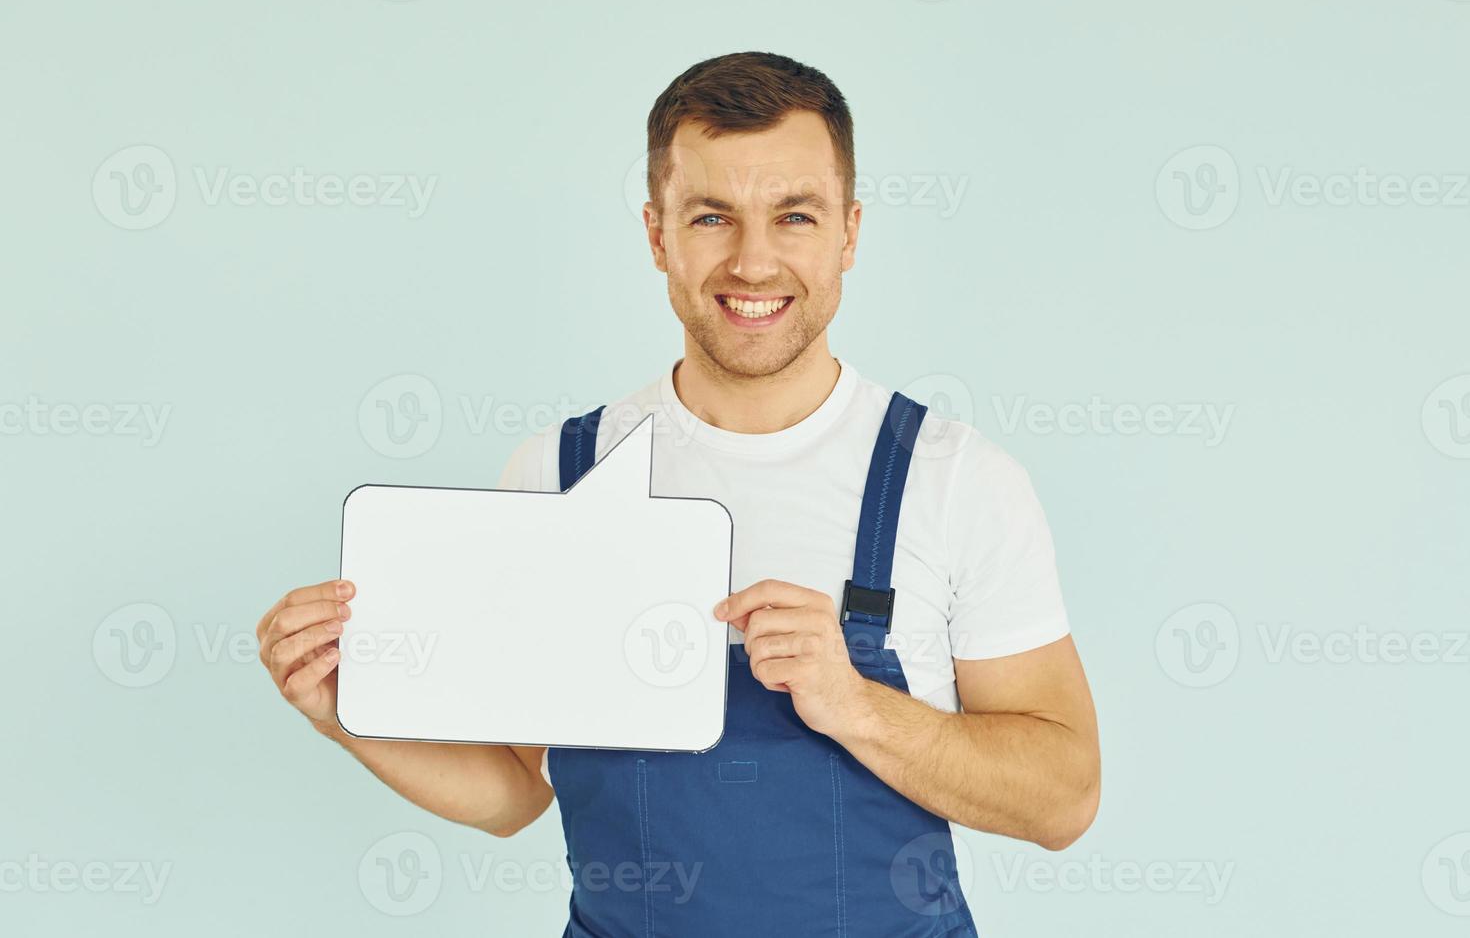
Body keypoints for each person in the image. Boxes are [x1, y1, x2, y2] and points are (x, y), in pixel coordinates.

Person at [257, 51, 1100, 937]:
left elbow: (1064, 797)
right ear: (658, 234)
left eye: (796, 216)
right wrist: (345, 710)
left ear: (849, 234)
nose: (754, 260)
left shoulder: (956, 479)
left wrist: (856, 705)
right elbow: (514, 793)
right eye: (711, 217)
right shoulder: (557, 473)